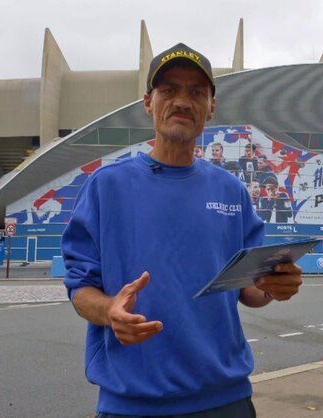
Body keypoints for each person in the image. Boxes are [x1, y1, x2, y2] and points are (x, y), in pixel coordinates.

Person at [62, 42, 303, 418]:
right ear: (148, 102)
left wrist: (274, 286)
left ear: (211, 107)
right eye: (169, 90)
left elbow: (249, 290)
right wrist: (111, 310)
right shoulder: (107, 187)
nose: (182, 101)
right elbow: (80, 288)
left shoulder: (231, 191)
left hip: (226, 401)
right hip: (131, 405)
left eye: (197, 92)